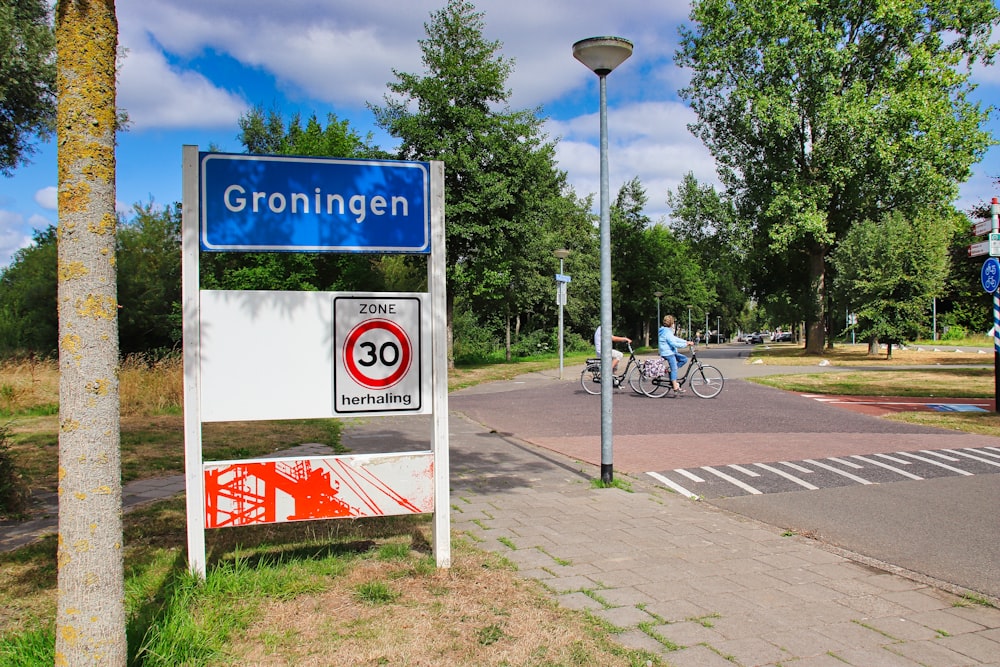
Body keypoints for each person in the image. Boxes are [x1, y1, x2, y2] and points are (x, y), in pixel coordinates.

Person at [658, 314, 692, 392]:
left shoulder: (666, 331)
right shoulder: (667, 332)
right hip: (668, 353)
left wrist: (686, 341)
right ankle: (675, 386)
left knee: (684, 359)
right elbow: (674, 343)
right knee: (674, 369)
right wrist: (685, 345)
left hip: (670, 351)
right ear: (671, 323)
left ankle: (669, 370)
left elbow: (675, 339)